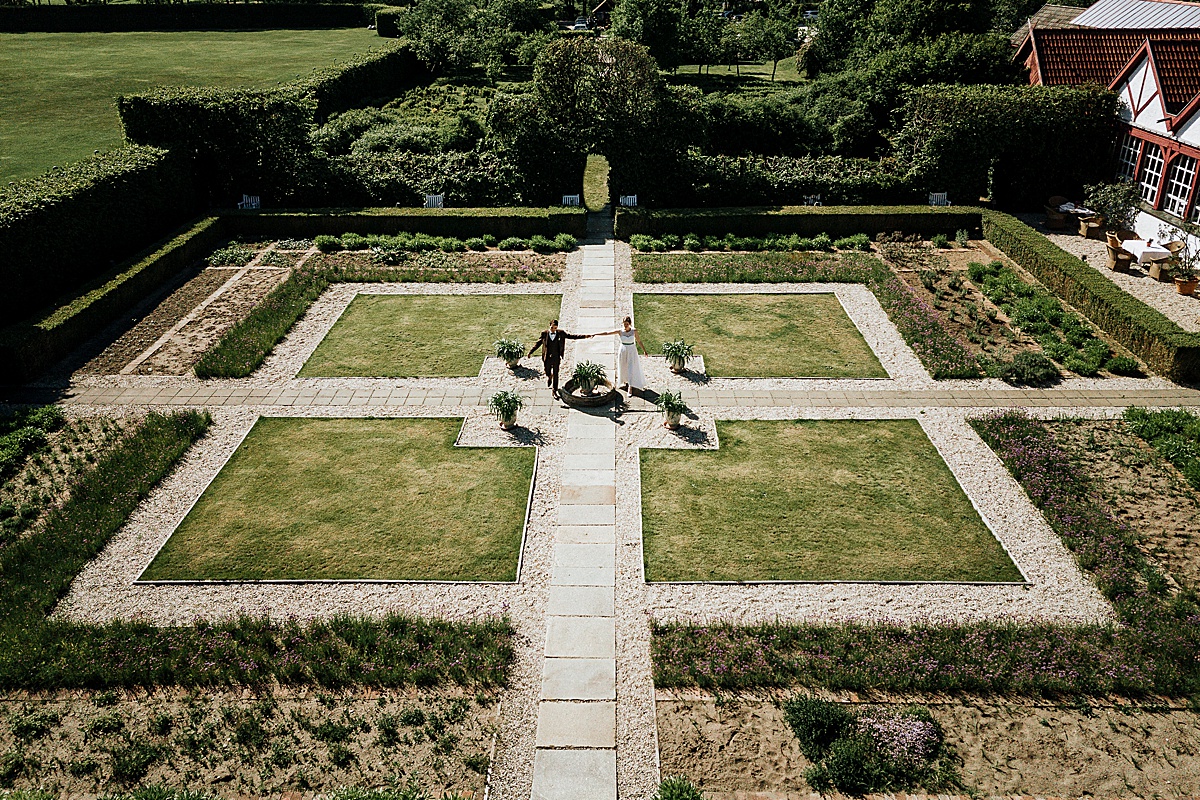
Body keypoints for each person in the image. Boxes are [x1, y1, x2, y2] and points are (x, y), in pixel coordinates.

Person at [528, 319, 591, 397]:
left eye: (555, 328)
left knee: (556, 373)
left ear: (557, 327)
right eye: (552, 327)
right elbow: (538, 343)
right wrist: (531, 352)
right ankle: (549, 376)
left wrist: (585, 336)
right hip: (547, 357)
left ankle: (554, 390)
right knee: (547, 370)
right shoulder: (544, 333)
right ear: (549, 326)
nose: (553, 329)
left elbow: (572, 336)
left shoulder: (561, 333)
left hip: (556, 357)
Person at [596, 316, 648, 393]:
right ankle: (625, 380)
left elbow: (639, 341)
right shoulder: (620, 331)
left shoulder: (634, 331)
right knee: (623, 366)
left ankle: (630, 387)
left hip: (632, 350)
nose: (625, 326)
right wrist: (596, 334)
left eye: (627, 324)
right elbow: (607, 333)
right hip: (623, 350)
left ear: (629, 324)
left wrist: (644, 350)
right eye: (624, 324)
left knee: (631, 367)